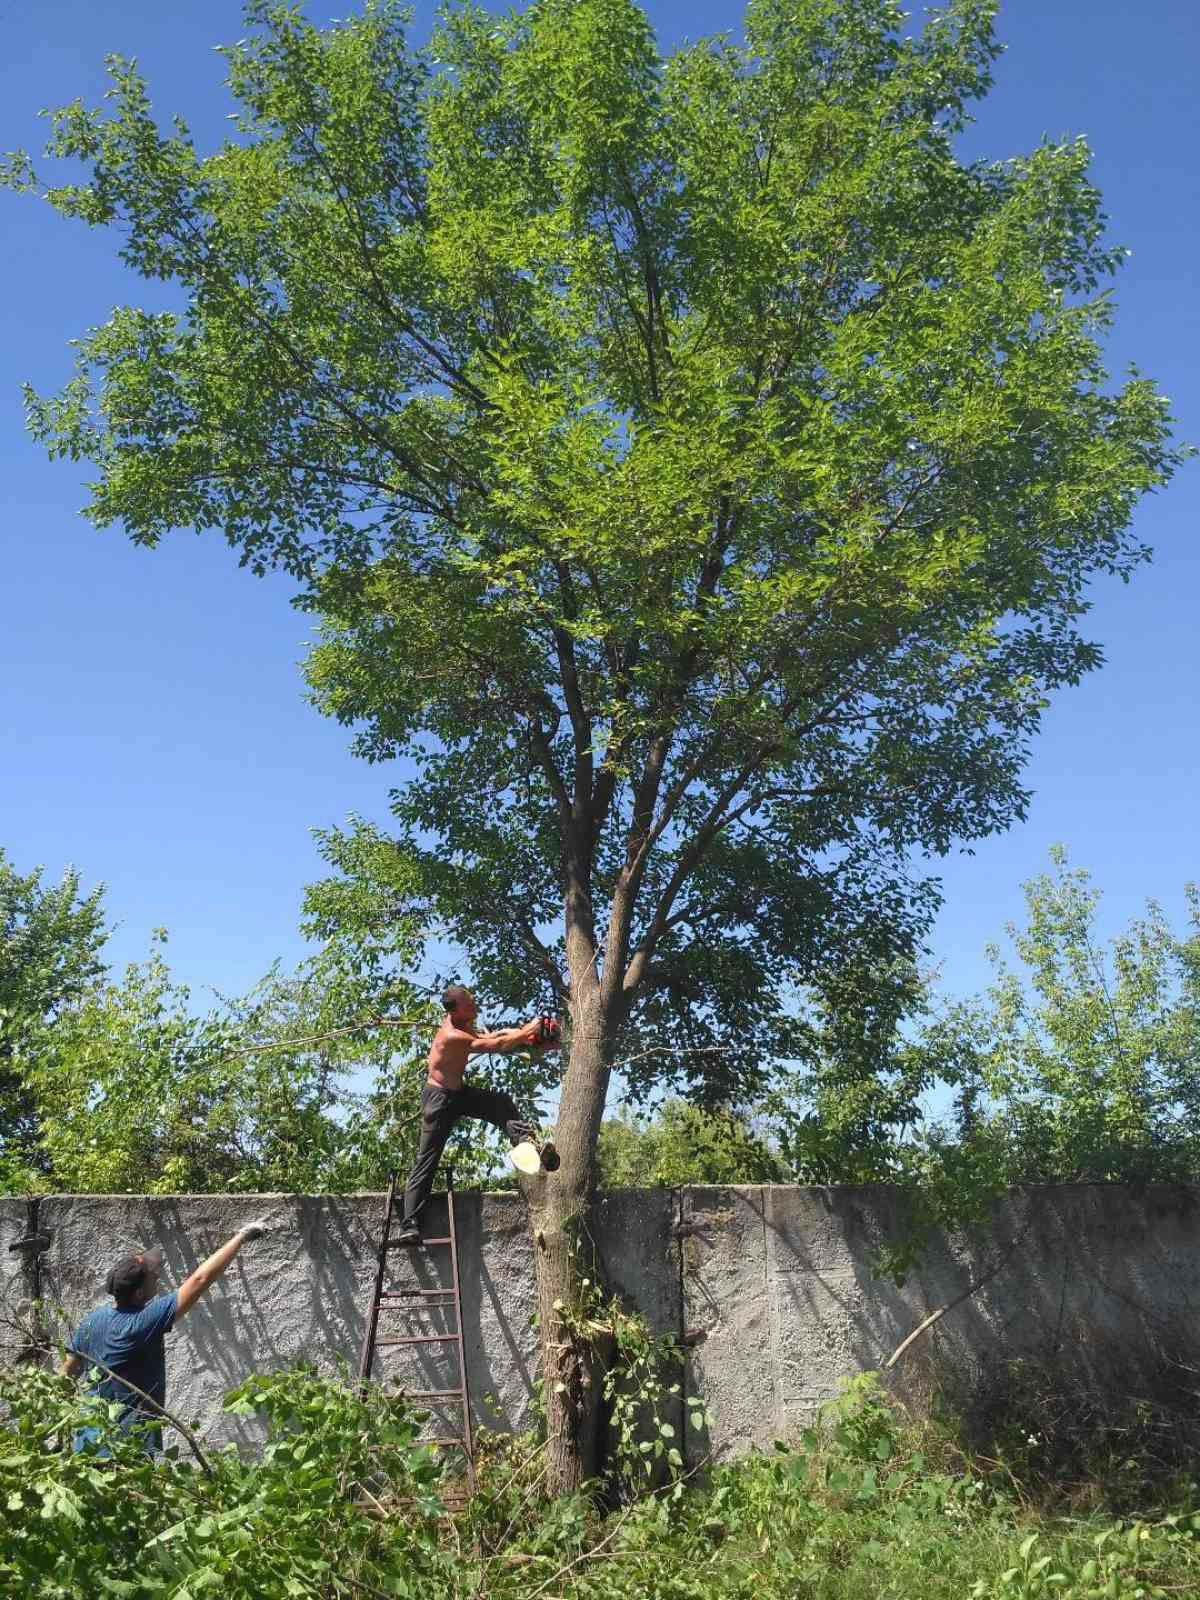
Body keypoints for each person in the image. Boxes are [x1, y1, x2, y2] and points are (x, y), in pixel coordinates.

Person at [64, 1221, 267, 1456]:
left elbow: (65, 1377)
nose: (157, 1276)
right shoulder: (140, 1323)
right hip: (126, 1449)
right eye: (152, 1276)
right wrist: (240, 1238)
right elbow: (200, 1280)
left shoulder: (92, 1320)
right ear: (139, 1293)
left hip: (88, 1444)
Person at [396, 985, 559, 1246]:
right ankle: (409, 1225)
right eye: (468, 1004)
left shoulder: (463, 1021)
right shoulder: (450, 1034)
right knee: (427, 1159)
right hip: (439, 1101)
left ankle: (526, 1142)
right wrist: (530, 1028)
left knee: (500, 1104)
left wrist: (530, 1038)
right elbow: (494, 1045)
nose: (473, 1006)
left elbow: (496, 1034)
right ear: (454, 1010)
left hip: (458, 1093)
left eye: (472, 1001)